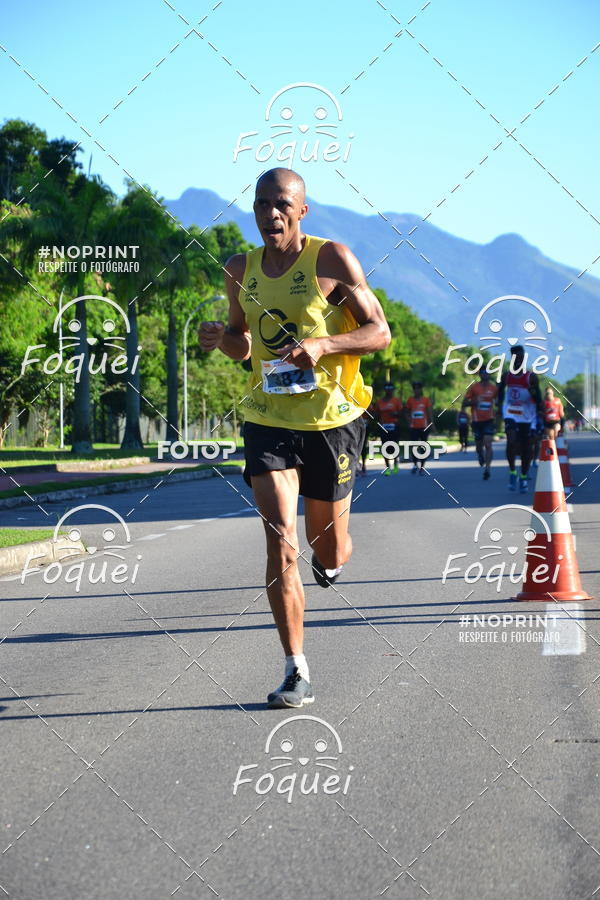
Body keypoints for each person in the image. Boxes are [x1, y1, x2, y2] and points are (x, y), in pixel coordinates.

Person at [199, 168, 390, 708]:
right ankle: (295, 668)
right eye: (261, 205)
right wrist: (222, 340)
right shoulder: (240, 269)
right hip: (268, 419)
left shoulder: (332, 260)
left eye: (281, 204)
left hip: (333, 421)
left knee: (325, 545)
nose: (270, 214)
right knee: (279, 534)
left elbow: (380, 332)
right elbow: (243, 344)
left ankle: (333, 558)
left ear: (302, 210)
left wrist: (324, 345)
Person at [498, 345, 541, 494]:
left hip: (527, 416)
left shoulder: (531, 377)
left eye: (521, 358)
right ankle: (512, 472)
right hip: (510, 413)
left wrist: (532, 393)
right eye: (516, 358)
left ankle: (523, 476)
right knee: (511, 440)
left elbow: (539, 399)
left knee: (526, 448)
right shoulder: (506, 376)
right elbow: (500, 393)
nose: (518, 360)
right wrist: (499, 408)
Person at [462, 367, 498, 480]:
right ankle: (480, 455)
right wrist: (473, 401)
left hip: (489, 419)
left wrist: (498, 407)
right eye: (482, 373)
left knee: (488, 444)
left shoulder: (494, 388)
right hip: (476, 420)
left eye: (486, 373)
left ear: (489, 374)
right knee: (479, 446)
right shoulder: (474, 388)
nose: (484, 375)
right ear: (479, 374)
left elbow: (498, 402)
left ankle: (487, 469)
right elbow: (464, 402)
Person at [404, 380, 432, 475]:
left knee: (423, 447)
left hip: (423, 427)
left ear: (421, 389)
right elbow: (406, 411)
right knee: (414, 446)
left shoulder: (426, 400)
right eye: (414, 389)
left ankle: (423, 467)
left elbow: (429, 413)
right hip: (413, 427)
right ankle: (415, 464)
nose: (416, 390)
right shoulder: (410, 400)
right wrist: (408, 420)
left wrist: (431, 423)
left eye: (418, 388)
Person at [374, 382, 402, 474]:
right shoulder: (379, 402)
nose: (389, 390)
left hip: (394, 426)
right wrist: (379, 421)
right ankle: (387, 467)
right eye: (387, 388)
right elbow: (376, 415)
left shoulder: (396, 401)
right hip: (384, 427)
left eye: (390, 388)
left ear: (392, 390)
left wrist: (395, 414)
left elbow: (401, 413)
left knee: (394, 446)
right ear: (384, 389)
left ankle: (396, 465)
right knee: (385, 447)